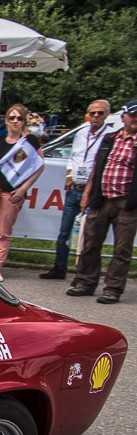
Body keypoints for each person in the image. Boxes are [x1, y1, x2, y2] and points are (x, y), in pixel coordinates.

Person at [67, 100, 137, 305]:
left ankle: (113, 289)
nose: (135, 119)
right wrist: (88, 194)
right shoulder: (110, 138)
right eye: (132, 115)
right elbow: (96, 169)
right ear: (123, 117)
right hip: (101, 199)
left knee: (122, 249)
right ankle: (85, 283)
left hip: (127, 202)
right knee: (90, 243)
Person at [0, 103, 46, 282]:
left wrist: (23, 189)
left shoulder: (30, 142)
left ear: (24, 121)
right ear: (6, 120)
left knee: (3, 233)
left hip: (11, 194)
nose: (15, 121)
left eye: (19, 118)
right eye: (11, 117)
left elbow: (39, 166)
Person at [42, 100, 115, 280]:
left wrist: (91, 190)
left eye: (100, 113)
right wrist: (68, 175)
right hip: (74, 187)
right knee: (65, 231)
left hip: (94, 191)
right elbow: (72, 158)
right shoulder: (81, 133)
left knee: (88, 234)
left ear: (107, 115)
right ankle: (59, 267)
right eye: (93, 113)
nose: (96, 116)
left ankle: (83, 273)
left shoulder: (110, 136)